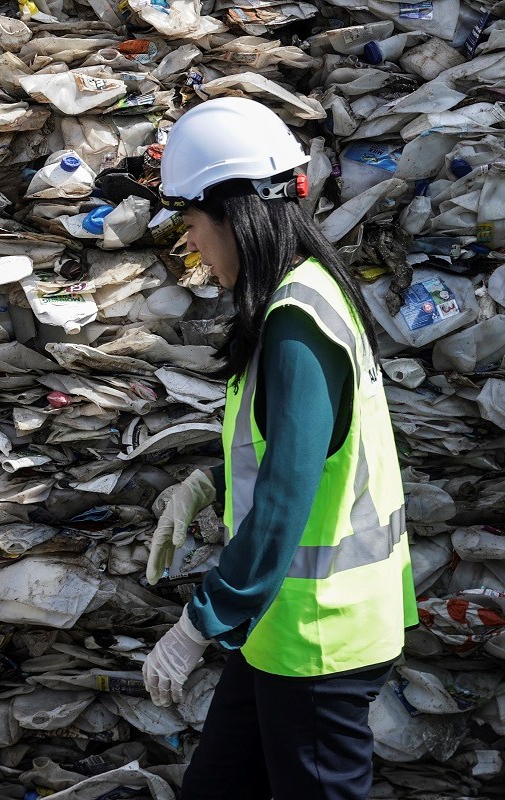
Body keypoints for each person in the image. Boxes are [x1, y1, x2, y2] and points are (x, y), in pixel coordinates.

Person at [140, 97, 417, 800]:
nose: (194, 246)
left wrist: (197, 625)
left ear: (236, 216)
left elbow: (286, 501)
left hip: (319, 642)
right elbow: (297, 452)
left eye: (195, 225)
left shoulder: (297, 322)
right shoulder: (306, 295)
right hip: (282, 634)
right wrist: (208, 481)